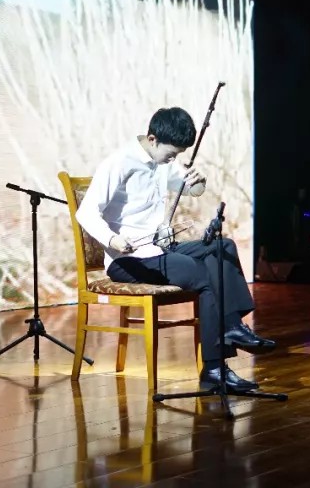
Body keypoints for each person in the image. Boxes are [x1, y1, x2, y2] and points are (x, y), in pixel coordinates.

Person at [75, 107, 276, 392]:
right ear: (153, 139)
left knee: (222, 248)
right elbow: (85, 213)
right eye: (171, 154)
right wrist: (112, 239)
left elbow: (191, 189)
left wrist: (198, 183)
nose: (174, 160)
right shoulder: (118, 163)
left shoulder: (162, 162)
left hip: (158, 251)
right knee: (199, 272)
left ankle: (232, 325)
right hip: (127, 260)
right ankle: (214, 369)